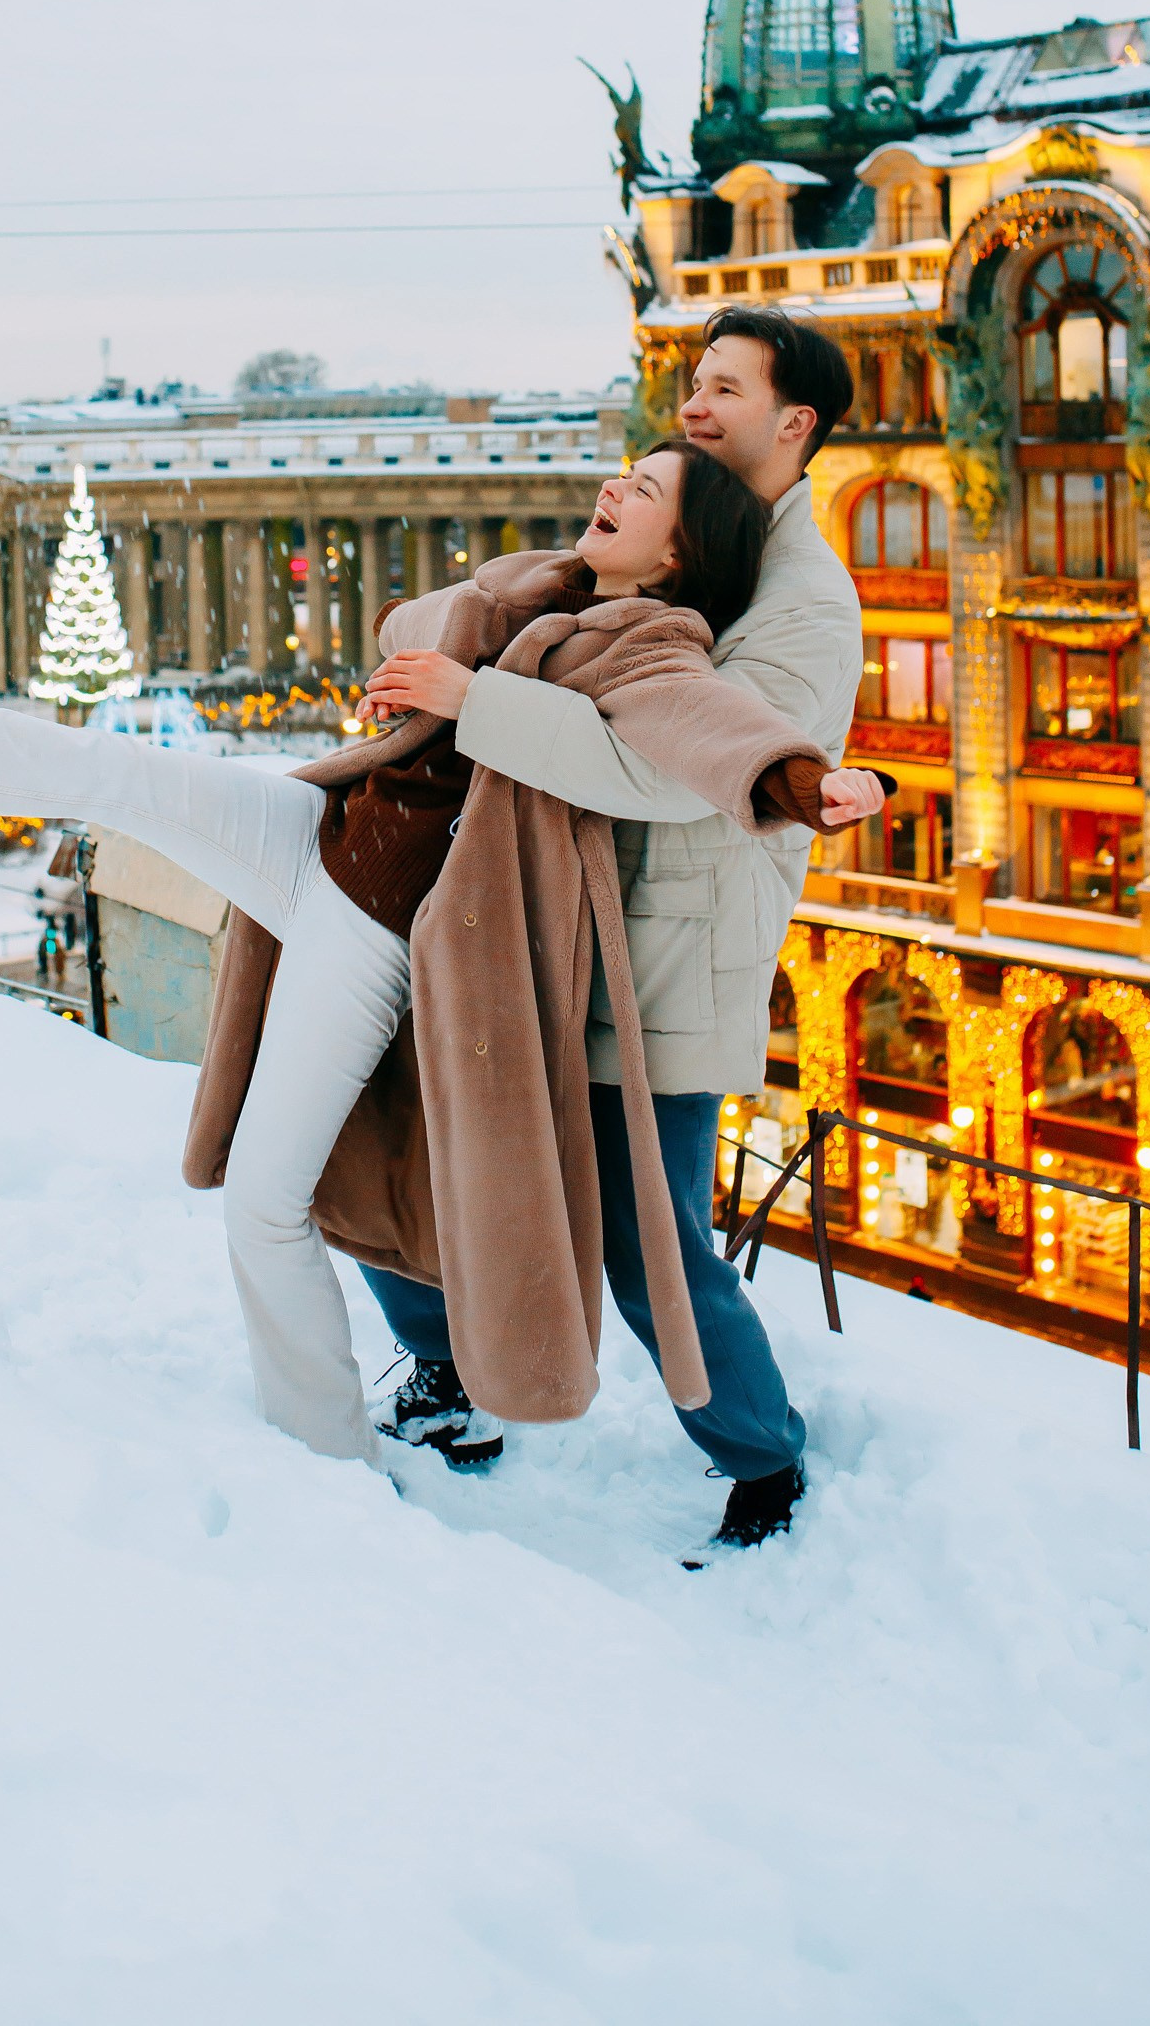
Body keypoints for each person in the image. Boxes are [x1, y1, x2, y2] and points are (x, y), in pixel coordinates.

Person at [0, 431, 880, 1476]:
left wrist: (797, 781)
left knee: (266, 1205)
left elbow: (702, 724)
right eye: (620, 470)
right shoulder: (552, 585)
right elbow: (406, 622)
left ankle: (325, 1457)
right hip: (326, 841)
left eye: (641, 492)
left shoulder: (647, 637)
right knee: (109, 772)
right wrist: (443, 650)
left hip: (378, 931)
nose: (609, 487)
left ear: (679, 554)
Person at [356, 307, 862, 1547]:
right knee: (433, 1169)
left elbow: (671, 772)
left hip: (664, 957)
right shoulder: (666, 534)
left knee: (650, 1246)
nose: (691, 406)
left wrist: (474, 702)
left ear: (792, 423)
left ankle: (762, 1462)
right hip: (543, 930)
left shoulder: (801, 600)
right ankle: (451, 1376)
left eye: (724, 390)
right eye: (692, 385)